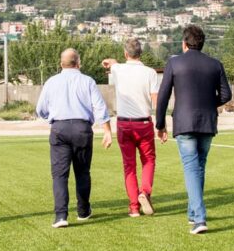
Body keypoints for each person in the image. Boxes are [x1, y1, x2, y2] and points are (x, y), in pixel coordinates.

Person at [155, 25, 232, 235]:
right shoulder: (215, 64)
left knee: (191, 167)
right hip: (207, 121)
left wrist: (159, 124)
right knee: (199, 166)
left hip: (184, 121)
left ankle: (199, 218)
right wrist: (209, 103)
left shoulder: (174, 62)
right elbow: (226, 95)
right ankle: (192, 212)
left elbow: (163, 96)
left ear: (184, 43)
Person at [36, 48, 113, 228]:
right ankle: (83, 210)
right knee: (83, 172)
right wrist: (107, 131)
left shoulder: (51, 82)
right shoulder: (88, 81)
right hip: (82, 128)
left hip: (59, 128)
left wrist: (52, 120)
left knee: (59, 175)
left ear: (61, 64)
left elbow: (40, 109)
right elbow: (99, 108)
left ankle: (61, 216)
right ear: (78, 63)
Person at [102, 39, 160, 217]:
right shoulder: (150, 73)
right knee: (148, 160)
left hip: (124, 123)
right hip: (143, 122)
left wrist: (109, 63)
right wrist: (161, 125)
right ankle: (145, 192)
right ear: (141, 53)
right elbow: (156, 100)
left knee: (129, 166)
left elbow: (109, 63)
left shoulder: (118, 69)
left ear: (126, 54)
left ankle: (134, 207)